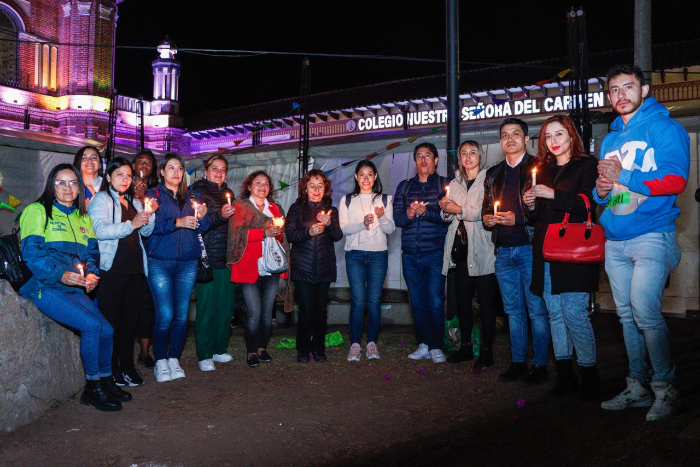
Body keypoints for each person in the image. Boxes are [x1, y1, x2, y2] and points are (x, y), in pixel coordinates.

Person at [594, 65, 689, 421]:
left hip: (652, 234)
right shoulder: (610, 137)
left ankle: (667, 390)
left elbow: (676, 179)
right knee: (626, 316)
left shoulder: (665, 127)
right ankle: (638, 386)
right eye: (614, 89)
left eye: (628, 87)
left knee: (645, 313)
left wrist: (626, 175)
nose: (620, 95)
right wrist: (600, 190)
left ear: (645, 90)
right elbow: (606, 190)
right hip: (615, 239)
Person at [19, 163, 131, 411]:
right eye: (60, 182)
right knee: (91, 326)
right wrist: (61, 275)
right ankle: (92, 389)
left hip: (73, 287)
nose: (67, 188)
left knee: (107, 330)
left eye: (73, 183)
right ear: (51, 185)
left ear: (79, 188)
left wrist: (90, 275)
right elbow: (31, 254)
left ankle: (105, 380)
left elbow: (91, 254)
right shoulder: (38, 211)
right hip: (44, 285)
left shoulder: (82, 217)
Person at [522, 116, 600, 399]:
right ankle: (565, 375)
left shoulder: (586, 165)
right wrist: (530, 205)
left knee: (575, 313)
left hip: (574, 249)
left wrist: (553, 194)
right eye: (547, 136)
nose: (553, 141)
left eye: (559, 134)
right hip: (545, 248)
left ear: (571, 136)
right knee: (555, 313)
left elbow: (588, 204)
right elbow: (536, 217)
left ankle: (589, 375)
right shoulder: (542, 169)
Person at [482, 118, 550, 384]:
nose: (509, 139)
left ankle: (541, 364)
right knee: (513, 311)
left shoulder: (539, 168)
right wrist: (488, 219)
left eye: (515, 134)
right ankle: (519, 362)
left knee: (536, 309)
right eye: (504, 135)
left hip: (529, 249)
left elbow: (545, 211)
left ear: (526, 138)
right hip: (503, 252)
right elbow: (488, 208)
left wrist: (519, 219)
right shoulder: (494, 173)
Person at [88, 157, 157, 387]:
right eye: (120, 175)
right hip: (112, 271)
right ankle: (112, 369)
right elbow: (99, 230)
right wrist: (132, 224)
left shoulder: (131, 201)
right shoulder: (102, 199)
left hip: (135, 270)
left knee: (129, 323)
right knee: (112, 324)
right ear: (108, 177)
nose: (125, 179)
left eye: (128, 175)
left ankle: (127, 367)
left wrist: (150, 213)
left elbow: (145, 231)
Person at [144, 153, 210, 383]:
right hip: (160, 260)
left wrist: (202, 215)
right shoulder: (153, 195)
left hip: (188, 262)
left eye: (179, 168)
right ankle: (160, 359)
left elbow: (204, 226)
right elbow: (149, 226)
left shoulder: (193, 195)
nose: (176, 172)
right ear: (161, 172)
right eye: (170, 168)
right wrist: (176, 223)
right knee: (166, 314)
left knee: (181, 315)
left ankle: (174, 358)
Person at [439, 141, 497, 372]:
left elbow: (487, 211)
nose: (468, 156)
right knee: (463, 302)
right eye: (464, 153)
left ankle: (486, 351)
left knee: (486, 304)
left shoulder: (489, 180)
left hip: (483, 248)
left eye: (473, 152)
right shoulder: (454, 183)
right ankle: (465, 346)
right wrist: (446, 210)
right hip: (460, 249)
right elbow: (448, 218)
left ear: (480, 157)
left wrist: (459, 210)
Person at [393, 143, 450, 364]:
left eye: (428, 156)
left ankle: (437, 346)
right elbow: (397, 219)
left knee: (435, 300)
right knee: (417, 302)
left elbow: (449, 218)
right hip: (409, 254)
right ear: (415, 161)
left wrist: (427, 212)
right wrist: (408, 213)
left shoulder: (445, 185)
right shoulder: (404, 187)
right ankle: (424, 343)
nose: (423, 160)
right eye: (419, 156)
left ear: (436, 160)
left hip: (435, 252)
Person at [227, 171, 290, 368]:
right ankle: (251, 351)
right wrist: (264, 232)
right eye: (258, 183)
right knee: (254, 312)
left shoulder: (275, 208)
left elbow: (281, 238)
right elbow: (237, 234)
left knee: (266, 313)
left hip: (272, 266)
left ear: (270, 189)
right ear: (249, 186)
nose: (262, 187)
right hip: (249, 266)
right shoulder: (241, 206)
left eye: (266, 184)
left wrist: (277, 232)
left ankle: (262, 348)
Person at [284, 169, 343, 363]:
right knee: (307, 309)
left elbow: (337, 236)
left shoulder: (331, 209)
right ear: (305, 188)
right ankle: (302, 349)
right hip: (303, 267)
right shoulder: (296, 208)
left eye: (320, 186)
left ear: (325, 188)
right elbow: (290, 235)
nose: (316, 190)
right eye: (312, 186)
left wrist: (330, 224)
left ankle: (318, 349)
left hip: (324, 267)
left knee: (321, 310)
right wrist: (309, 232)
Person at [339, 160, 395, 361]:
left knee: (373, 301)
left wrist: (383, 218)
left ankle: (371, 343)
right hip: (354, 254)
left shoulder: (386, 199)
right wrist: (362, 224)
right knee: (358, 300)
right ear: (356, 177)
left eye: (369, 174)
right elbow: (343, 229)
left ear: (375, 177)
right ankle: (355, 344)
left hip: (378, 255)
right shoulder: (346, 200)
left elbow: (390, 230)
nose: (365, 178)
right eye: (361, 175)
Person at [189, 155, 236, 372]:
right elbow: (200, 224)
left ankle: (219, 348)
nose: (219, 172)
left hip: (226, 258)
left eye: (223, 169)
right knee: (206, 307)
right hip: (206, 257)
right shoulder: (196, 191)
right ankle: (204, 352)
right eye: (214, 168)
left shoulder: (228, 193)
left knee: (224, 307)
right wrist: (221, 216)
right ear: (205, 170)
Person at [131, 149, 159, 368]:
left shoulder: (155, 192)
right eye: (139, 161)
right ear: (132, 165)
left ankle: (144, 351)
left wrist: (143, 198)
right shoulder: (121, 188)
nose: (143, 165)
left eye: (148, 162)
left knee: (148, 303)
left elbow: (151, 226)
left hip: (150, 253)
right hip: (126, 252)